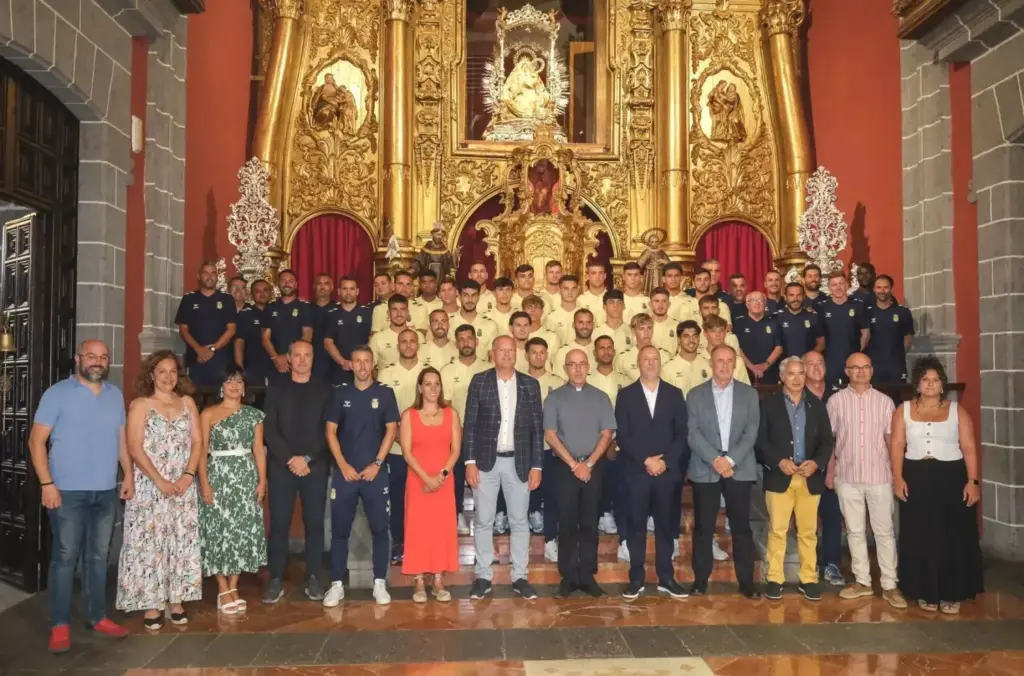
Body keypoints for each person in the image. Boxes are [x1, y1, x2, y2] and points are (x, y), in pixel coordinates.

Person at [29, 340, 132, 653]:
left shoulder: (115, 396)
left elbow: (121, 440)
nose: (97, 362)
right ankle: (59, 624)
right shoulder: (57, 393)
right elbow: (36, 442)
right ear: (78, 359)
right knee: (65, 558)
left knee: (98, 557)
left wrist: (127, 474)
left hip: (105, 490)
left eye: (103, 357)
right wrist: (47, 483)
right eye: (91, 356)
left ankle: (97, 615)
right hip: (66, 492)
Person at [117, 351, 203, 630]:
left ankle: (176, 600)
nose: (168, 377)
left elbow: (198, 442)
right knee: (150, 543)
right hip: (150, 485)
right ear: (151, 374)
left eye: (173, 371)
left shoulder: (188, 403)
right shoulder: (141, 405)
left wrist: (189, 475)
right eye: (162, 371)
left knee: (180, 539)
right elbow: (134, 447)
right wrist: (159, 481)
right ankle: (153, 604)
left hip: (183, 485)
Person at [891, 357, 983, 614]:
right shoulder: (904, 410)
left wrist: (973, 482)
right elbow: (897, 445)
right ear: (917, 385)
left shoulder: (957, 411)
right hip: (916, 477)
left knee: (951, 536)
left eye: (936, 380)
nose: (931, 384)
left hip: (951, 479)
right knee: (921, 535)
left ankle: (950, 593)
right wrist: (897, 478)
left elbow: (969, 449)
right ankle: (925, 591)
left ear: (942, 385)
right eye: (925, 380)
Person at [463, 335, 544, 601]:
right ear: (492, 353)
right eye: (502, 350)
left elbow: (536, 429)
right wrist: (470, 462)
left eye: (511, 350)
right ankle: (483, 576)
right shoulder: (480, 381)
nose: (507, 354)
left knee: (520, 522)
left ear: (516, 354)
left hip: (519, 463)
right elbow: (471, 424)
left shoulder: (530, 385)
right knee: (484, 521)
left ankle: (520, 576)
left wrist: (536, 465)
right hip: (486, 462)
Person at [827, 352, 907, 608]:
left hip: (879, 477)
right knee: (854, 531)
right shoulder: (836, 401)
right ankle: (862, 581)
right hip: (847, 477)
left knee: (884, 532)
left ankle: (890, 584)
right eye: (855, 367)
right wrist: (830, 472)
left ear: (872, 371)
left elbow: (891, 441)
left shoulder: (885, 402)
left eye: (865, 367)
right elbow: (830, 442)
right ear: (846, 371)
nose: (860, 371)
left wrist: (897, 476)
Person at [323, 345, 400, 607]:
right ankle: (336, 584)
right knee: (339, 531)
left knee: (380, 528)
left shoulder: (385, 393)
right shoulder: (339, 394)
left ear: (373, 364)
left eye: (367, 361)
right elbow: (330, 432)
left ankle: (379, 582)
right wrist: (342, 465)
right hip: (345, 473)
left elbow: (391, 430)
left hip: (375, 474)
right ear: (351, 365)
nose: (363, 366)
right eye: (358, 362)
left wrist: (377, 463)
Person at [756, 356, 834, 601]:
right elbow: (760, 441)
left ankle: (809, 579)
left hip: (809, 477)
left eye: (801, 373)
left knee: (808, 532)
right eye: (792, 373)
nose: (798, 378)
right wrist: (779, 461)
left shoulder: (817, 405)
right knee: (777, 531)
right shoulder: (769, 405)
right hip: (780, 476)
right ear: (781, 377)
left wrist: (817, 463)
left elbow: (827, 442)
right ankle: (775, 578)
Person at [262, 340, 334, 604]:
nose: (302, 360)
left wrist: (306, 458)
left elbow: (328, 431)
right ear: (289, 358)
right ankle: (275, 579)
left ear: (313, 359)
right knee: (279, 525)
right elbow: (269, 429)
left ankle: (314, 577)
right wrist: (290, 458)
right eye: (297, 355)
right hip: (282, 467)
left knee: (314, 525)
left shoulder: (325, 389)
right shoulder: (277, 387)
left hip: (314, 466)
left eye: (307, 355)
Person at [686, 344, 761, 599]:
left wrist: (729, 460)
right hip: (705, 468)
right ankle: (699, 580)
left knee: (741, 528)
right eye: (720, 360)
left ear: (735, 364)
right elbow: (692, 433)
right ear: (711, 363)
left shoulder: (749, 394)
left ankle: (747, 582)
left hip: (738, 468)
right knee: (704, 527)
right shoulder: (695, 395)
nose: (725, 365)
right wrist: (716, 459)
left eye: (730, 360)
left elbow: (751, 432)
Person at [615, 346, 689, 600]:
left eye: (655, 359)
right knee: (635, 526)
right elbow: (622, 436)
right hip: (636, 472)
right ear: (638, 363)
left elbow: (681, 435)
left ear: (661, 363)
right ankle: (636, 578)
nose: (650, 363)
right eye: (646, 359)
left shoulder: (675, 394)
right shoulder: (625, 395)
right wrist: (646, 460)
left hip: (666, 474)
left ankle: (666, 577)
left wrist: (665, 461)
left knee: (666, 526)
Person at [545, 349, 616, 598]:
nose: (577, 369)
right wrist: (575, 465)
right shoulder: (554, 398)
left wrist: (589, 464)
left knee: (589, 522)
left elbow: (607, 433)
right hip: (565, 468)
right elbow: (550, 434)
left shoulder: (601, 397)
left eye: (582, 364)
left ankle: (586, 576)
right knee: (566, 522)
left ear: (589, 366)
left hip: (594, 468)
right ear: (565, 368)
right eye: (572, 365)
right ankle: (567, 576)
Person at [197, 366, 267, 615]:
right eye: (229, 382)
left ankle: (234, 587)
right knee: (218, 531)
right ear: (221, 386)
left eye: (238, 381)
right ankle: (221, 587)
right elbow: (201, 451)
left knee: (240, 531)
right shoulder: (208, 414)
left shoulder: (254, 415)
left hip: (245, 478)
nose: (234, 386)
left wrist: (262, 481)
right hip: (217, 476)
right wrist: (204, 482)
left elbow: (258, 450)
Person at [399, 367, 462, 602]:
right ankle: (418, 580)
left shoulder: (451, 413)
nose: (433, 388)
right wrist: (427, 479)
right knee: (418, 529)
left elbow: (455, 449)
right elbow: (406, 451)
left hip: (444, 481)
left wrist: (441, 475)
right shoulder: (409, 415)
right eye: (428, 384)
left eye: (436, 384)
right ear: (420, 388)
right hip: (418, 481)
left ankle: (437, 578)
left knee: (440, 529)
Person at [378, 328, 423, 564]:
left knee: (421, 500)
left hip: (423, 451)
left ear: (418, 344)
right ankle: (399, 543)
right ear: (398, 346)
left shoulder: (426, 372)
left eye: (412, 341)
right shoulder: (386, 373)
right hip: (395, 450)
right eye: (403, 341)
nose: (407, 345)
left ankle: (420, 543)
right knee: (397, 499)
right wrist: (396, 434)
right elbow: (382, 412)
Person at [441, 325, 491, 535]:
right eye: (461, 340)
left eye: (469, 339)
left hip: (487, 432)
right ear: (456, 343)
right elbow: (446, 404)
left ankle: (486, 515)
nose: (466, 343)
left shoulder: (489, 368)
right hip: (458, 431)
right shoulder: (448, 370)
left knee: (486, 475)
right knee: (457, 473)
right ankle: (457, 514)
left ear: (476, 341)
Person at [803, 350, 845, 586]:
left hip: (834, 467)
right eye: (811, 363)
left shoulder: (838, 395)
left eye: (821, 362)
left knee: (831, 518)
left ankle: (831, 564)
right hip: (805, 468)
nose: (817, 367)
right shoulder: (798, 395)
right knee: (806, 522)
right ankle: (808, 566)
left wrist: (832, 468)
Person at [524, 336, 567, 555]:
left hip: (551, 448)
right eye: (534, 352)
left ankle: (551, 539)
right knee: (523, 495)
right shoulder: (518, 381)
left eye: (542, 352)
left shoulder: (558, 382)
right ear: (527, 356)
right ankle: (523, 544)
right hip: (525, 448)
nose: (538, 356)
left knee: (552, 494)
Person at [589, 336, 631, 555]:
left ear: (614, 351)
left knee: (622, 487)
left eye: (609, 347)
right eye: (601, 348)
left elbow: (628, 415)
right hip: (593, 445)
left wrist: (614, 440)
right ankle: (601, 515)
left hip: (621, 444)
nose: (605, 351)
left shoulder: (625, 380)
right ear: (594, 353)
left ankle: (624, 539)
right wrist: (603, 443)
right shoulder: (587, 380)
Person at [175, 261, 237, 387]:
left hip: (221, 360)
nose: (210, 276)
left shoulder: (227, 299)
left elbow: (231, 329)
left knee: (220, 399)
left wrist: (212, 349)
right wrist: (199, 350)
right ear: (198, 276)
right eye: (206, 273)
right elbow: (183, 329)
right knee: (195, 398)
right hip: (196, 359)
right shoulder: (189, 299)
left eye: (213, 273)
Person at [262, 269, 314, 383]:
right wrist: (276, 358)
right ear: (278, 284)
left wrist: (287, 356)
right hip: (274, 364)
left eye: (290, 281)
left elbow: (307, 336)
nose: (286, 283)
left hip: (296, 364)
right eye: (283, 280)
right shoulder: (270, 307)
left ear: (296, 284)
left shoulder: (305, 307)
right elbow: (265, 338)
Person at [820, 272, 869, 387]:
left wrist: (856, 354)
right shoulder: (822, 307)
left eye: (841, 284)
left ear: (847, 285)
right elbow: (819, 338)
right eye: (834, 285)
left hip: (853, 362)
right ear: (829, 288)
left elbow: (865, 334)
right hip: (831, 362)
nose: (838, 287)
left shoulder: (858, 305)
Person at [863, 274, 915, 383]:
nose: (882, 291)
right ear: (874, 289)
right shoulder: (866, 312)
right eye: (879, 287)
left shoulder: (903, 312)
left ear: (891, 289)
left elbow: (908, 339)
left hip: (896, 367)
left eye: (886, 287)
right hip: (873, 367)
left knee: (896, 398)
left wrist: (896, 355)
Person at [324, 275, 373, 385]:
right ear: (339, 291)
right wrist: (343, 362)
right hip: (339, 370)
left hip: (363, 370)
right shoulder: (332, 314)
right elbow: (328, 342)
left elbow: (373, 339)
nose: (348, 292)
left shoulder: (368, 313)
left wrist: (362, 363)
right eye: (345, 289)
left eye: (351, 289)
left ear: (357, 291)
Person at [733, 291, 783, 384]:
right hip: (745, 372)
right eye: (753, 300)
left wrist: (765, 365)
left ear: (765, 304)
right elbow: (737, 348)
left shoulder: (774, 323)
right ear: (747, 305)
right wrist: (751, 367)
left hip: (769, 372)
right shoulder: (739, 323)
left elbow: (778, 348)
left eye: (760, 300)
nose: (757, 303)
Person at [234, 279, 274, 386]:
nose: (262, 294)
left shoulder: (277, 312)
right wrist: (240, 370)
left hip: (277, 369)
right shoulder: (245, 315)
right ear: (251, 295)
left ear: (271, 293)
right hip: (253, 369)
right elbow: (239, 343)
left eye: (265, 290)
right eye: (257, 291)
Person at [370, 294, 424, 370]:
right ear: (388, 313)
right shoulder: (377, 338)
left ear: (407, 312)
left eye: (402, 309)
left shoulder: (419, 336)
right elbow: (371, 369)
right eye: (395, 309)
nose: (399, 314)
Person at [449, 281, 499, 360]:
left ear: (479, 297)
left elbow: (493, 358)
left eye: (474, 295)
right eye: (465, 295)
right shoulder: (449, 323)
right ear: (458, 296)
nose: (470, 300)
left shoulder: (490, 325)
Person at [615, 313, 671, 382]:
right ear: (633, 331)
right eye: (641, 329)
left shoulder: (665, 355)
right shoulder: (623, 358)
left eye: (649, 328)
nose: (646, 332)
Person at [777, 282, 825, 358]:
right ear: (785, 297)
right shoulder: (777, 317)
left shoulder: (813, 317)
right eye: (791, 295)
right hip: (784, 365)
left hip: (806, 365)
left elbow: (821, 343)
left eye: (799, 295)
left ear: (804, 297)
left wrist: (808, 358)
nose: (795, 299)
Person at [310, 273, 338, 380]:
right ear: (314, 287)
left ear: (332, 287)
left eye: (326, 284)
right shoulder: (307, 309)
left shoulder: (339, 309)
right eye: (319, 284)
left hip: (335, 363)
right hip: (312, 362)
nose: (322, 287)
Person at [544, 274, 581, 345]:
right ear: (559, 290)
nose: (570, 292)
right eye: (566, 288)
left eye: (573, 288)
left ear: (578, 290)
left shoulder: (585, 316)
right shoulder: (551, 318)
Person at [578, 260, 609, 325]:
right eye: (593, 273)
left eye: (600, 273)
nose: (597, 277)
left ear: (605, 276)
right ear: (587, 276)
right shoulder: (580, 300)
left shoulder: (612, 299)